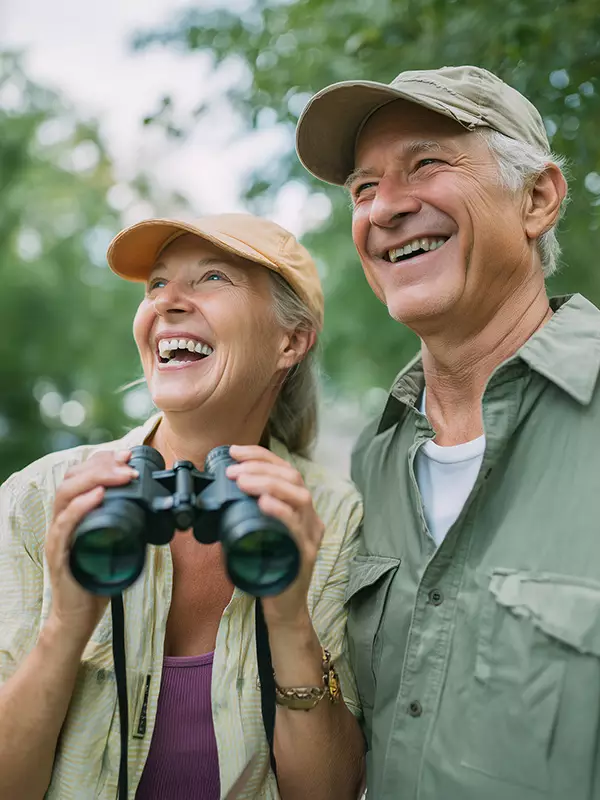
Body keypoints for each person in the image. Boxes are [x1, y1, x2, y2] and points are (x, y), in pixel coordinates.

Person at [295, 65, 600, 800]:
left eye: (427, 163)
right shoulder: (370, 460)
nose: (387, 208)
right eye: (364, 189)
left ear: (538, 198)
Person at [0, 213, 365, 799]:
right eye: (156, 284)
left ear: (289, 341)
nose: (167, 302)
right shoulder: (44, 498)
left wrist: (290, 622)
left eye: (212, 277)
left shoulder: (328, 514)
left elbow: (328, 793)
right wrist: (65, 628)